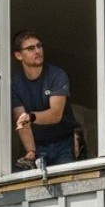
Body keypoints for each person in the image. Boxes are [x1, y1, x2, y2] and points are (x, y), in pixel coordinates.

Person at [11, 30, 79, 170]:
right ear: (18, 55)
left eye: (39, 46)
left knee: (68, 186)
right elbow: (21, 120)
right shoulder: (15, 84)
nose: (37, 51)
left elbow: (56, 114)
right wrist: (31, 152)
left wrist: (31, 117)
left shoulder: (57, 75)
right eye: (30, 48)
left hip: (64, 143)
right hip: (38, 147)